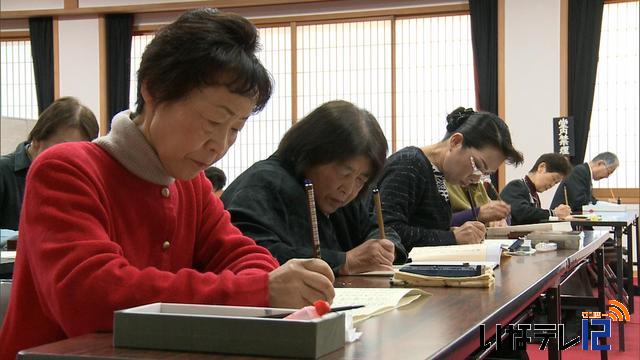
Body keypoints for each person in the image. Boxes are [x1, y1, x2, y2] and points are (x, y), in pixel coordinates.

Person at [0, 9, 335, 359]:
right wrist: (258, 292)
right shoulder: (67, 169)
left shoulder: (190, 185)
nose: (219, 144)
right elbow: (92, 299)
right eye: (212, 121)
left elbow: (244, 257)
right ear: (153, 91)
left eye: (235, 128)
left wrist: (270, 286)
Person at [222, 100, 405, 275]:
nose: (348, 190)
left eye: (361, 179)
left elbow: (378, 227)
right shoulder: (264, 183)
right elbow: (250, 252)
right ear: (312, 153)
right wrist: (343, 261)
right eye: (344, 173)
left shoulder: (342, 197)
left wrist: (385, 247)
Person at [374, 107, 524, 253]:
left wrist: (454, 232)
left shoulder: (438, 174)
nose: (475, 179)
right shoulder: (409, 164)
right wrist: (451, 237)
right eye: (477, 165)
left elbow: (425, 228)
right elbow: (385, 231)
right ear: (456, 142)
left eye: (484, 173)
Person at [0, 96, 99, 230]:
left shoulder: (80, 182)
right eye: (63, 149)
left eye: (80, 151)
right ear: (37, 139)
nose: (72, 159)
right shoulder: (4, 172)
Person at [501, 153, 573, 225]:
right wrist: (554, 213)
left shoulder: (534, 195)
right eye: (553, 179)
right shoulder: (516, 186)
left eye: (556, 183)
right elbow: (522, 213)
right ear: (541, 167)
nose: (552, 185)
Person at [550, 152, 619, 212]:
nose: (607, 176)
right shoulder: (580, 171)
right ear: (600, 163)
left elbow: (590, 200)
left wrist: (607, 204)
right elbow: (580, 202)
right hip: (560, 220)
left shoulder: (585, 172)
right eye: (609, 172)